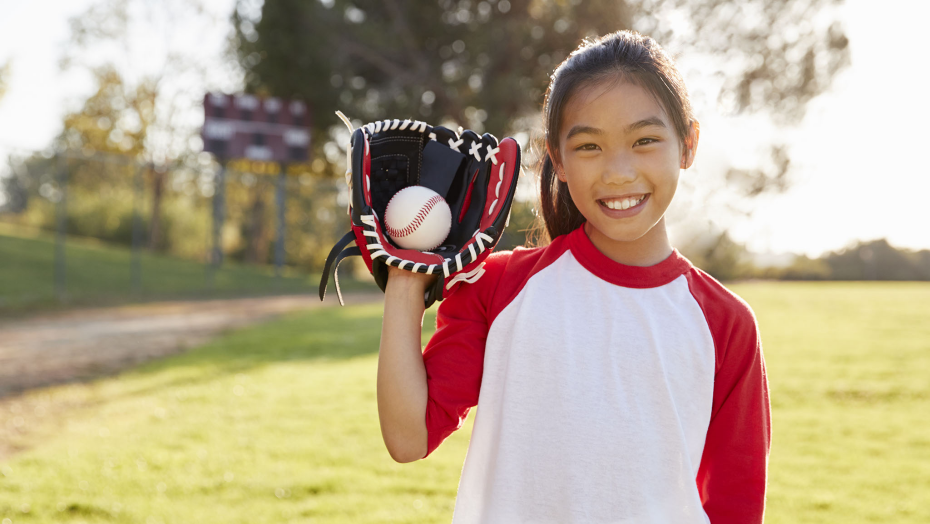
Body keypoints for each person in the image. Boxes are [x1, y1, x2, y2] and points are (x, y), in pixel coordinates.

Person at [377, 30, 771, 524]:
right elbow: (408, 437)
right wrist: (407, 279)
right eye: (589, 146)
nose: (619, 171)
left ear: (688, 143)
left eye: (645, 140)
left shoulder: (726, 323)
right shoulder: (499, 288)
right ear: (557, 160)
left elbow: (736, 506)